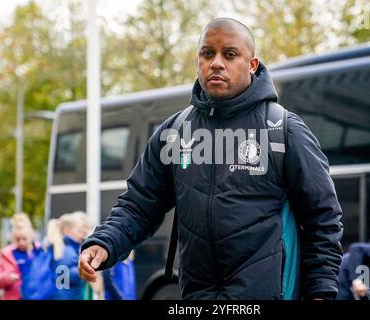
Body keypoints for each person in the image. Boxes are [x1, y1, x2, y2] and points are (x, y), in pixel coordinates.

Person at [79, 17, 343, 300]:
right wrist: (104, 243)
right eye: (207, 53)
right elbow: (138, 206)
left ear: (252, 65)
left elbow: (323, 219)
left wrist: (321, 292)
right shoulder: (174, 132)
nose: (216, 63)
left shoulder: (283, 130)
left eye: (230, 54)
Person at [0, 213, 40, 300]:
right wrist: (8, 277)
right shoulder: (7, 254)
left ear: (31, 234)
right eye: (18, 239)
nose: (21, 242)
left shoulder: (40, 251)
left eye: (24, 238)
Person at [44, 212, 91, 299]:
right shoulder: (66, 251)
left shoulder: (67, 248)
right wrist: (86, 269)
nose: (84, 231)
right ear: (67, 230)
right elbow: (63, 278)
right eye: (79, 229)